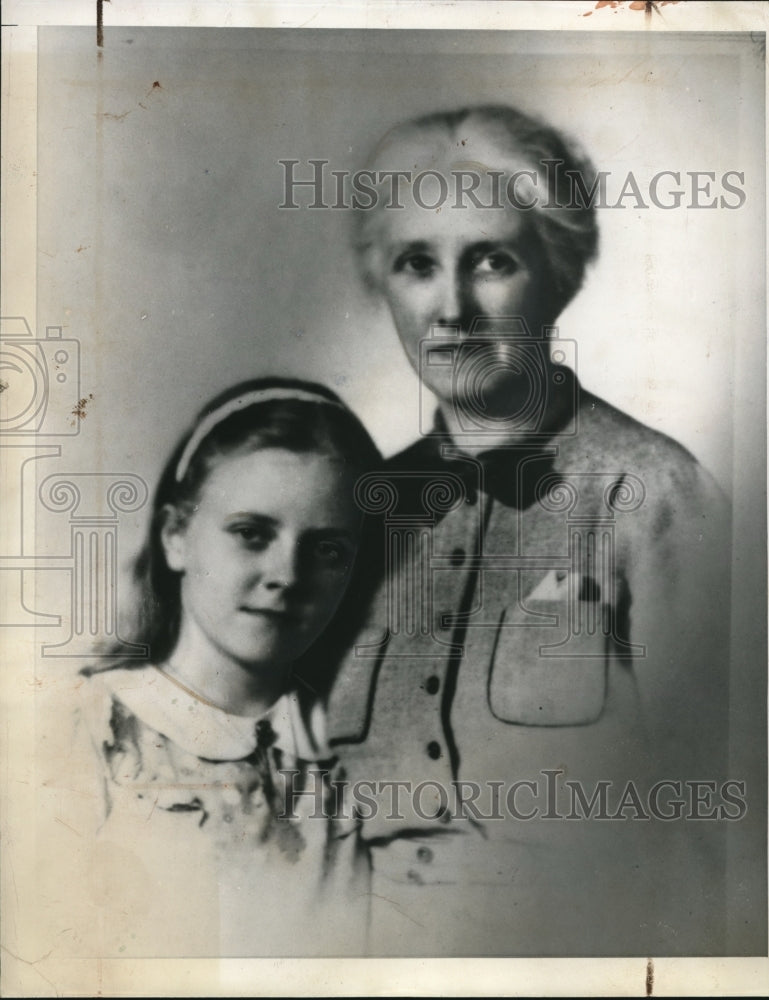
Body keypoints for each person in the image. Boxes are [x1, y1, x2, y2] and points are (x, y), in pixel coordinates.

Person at [327, 105, 732, 956]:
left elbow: (724, 817)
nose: (452, 309)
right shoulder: (350, 508)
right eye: (416, 264)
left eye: (492, 261)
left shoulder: (656, 495)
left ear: (557, 274)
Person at [40, 377, 380, 958]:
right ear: (176, 536)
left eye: (326, 550)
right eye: (251, 534)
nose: (287, 575)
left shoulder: (340, 755)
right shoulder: (88, 727)